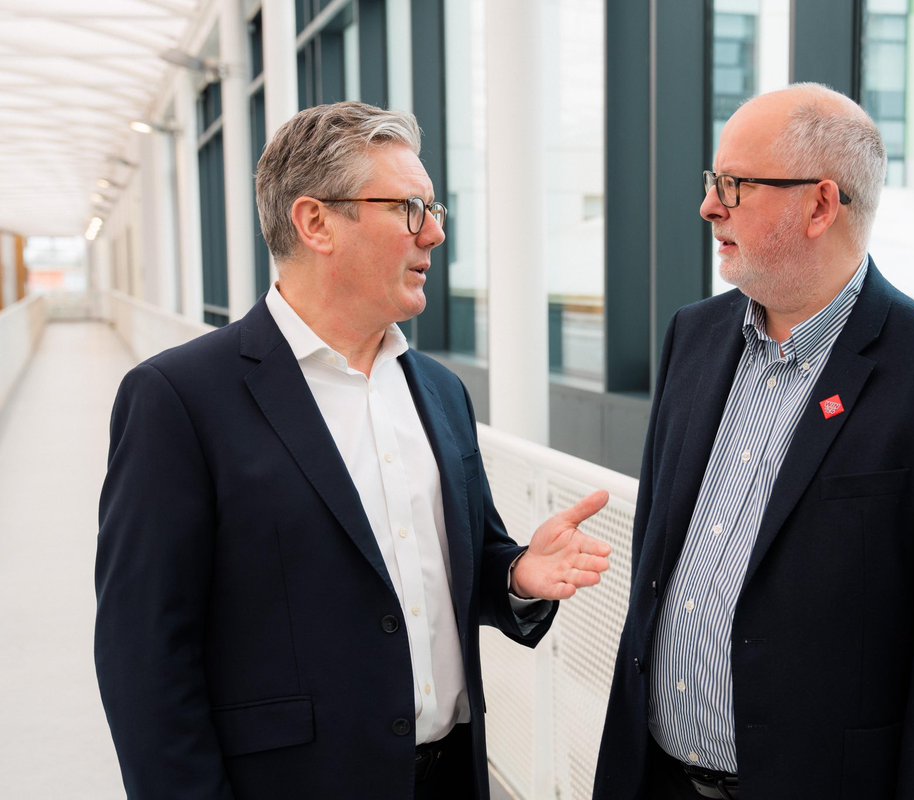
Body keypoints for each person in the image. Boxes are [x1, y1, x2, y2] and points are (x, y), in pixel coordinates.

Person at [95, 101, 612, 800]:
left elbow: (455, 566)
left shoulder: (439, 391)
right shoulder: (179, 399)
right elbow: (144, 658)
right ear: (315, 223)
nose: (433, 234)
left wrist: (518, 573)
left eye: (434, 211)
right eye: (409, 209)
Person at [593, 83, 914, 799]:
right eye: (713, 182)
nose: (710, 206)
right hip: (655, 777)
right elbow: (657, 565)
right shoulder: (693, 337)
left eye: (733, 185)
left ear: (821, 205)